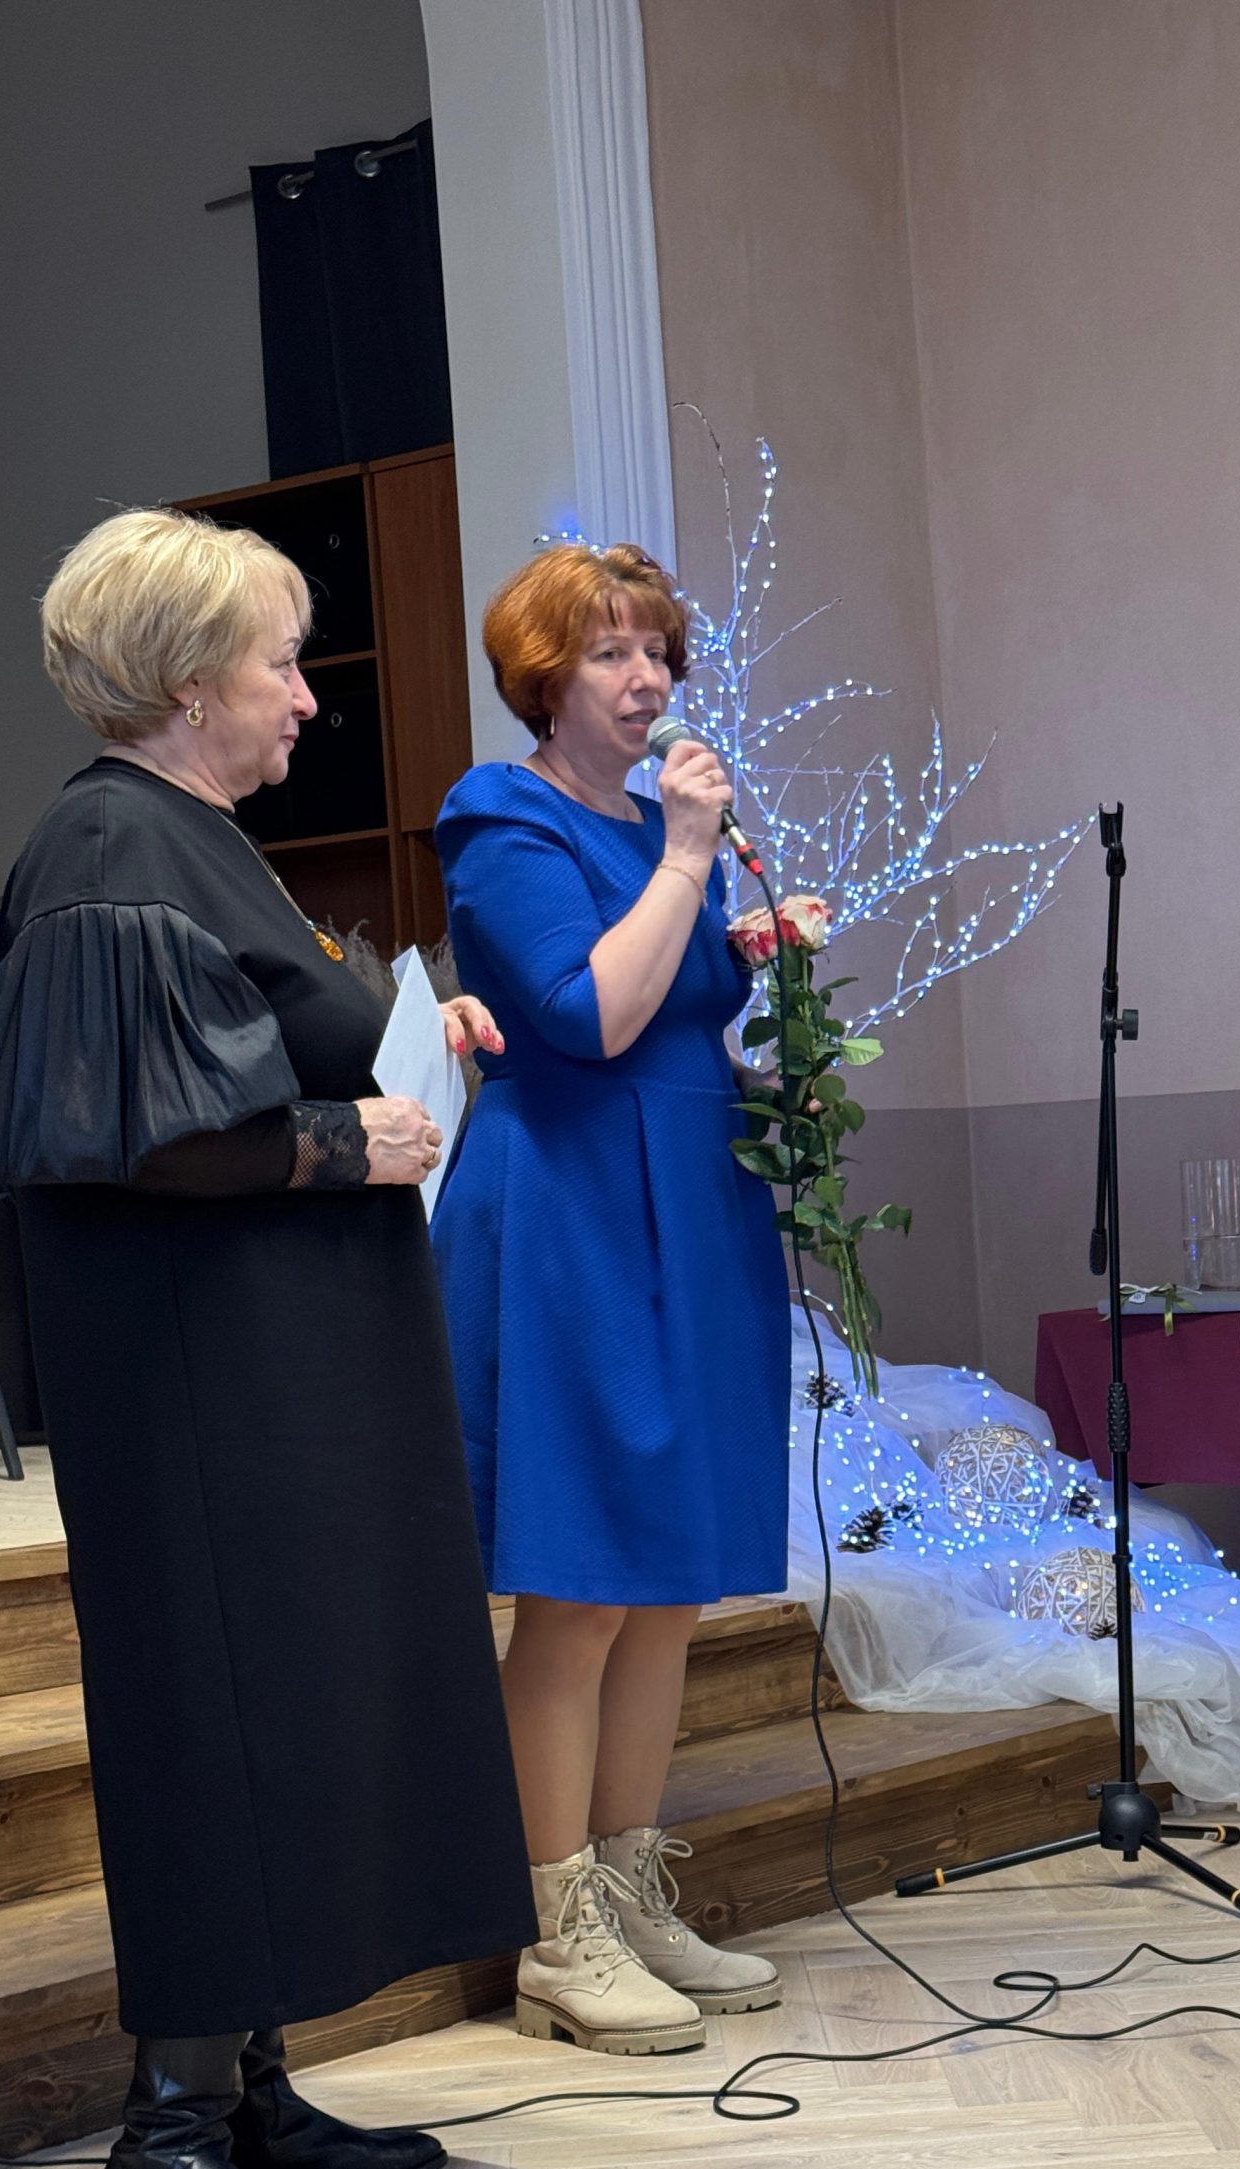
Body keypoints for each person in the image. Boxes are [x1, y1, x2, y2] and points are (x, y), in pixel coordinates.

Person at [0, 509, 533, 2169]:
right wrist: (341, 1138)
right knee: (217, 1723)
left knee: (285, 1706)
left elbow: (244, 1061)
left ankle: (251, 2094)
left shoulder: (194, 841)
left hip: (276, 1376)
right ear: (191, 679)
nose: (305, 697)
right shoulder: (110, 847)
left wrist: (409, 1054)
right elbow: (131, 1131)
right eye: (281, 664)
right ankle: (163, 2149)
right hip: (201, 1399)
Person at [432, 542, 789, 2052]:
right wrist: (691, 859)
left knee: (667, 1584)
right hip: (573, 1210)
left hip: (692, 1205)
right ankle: (555, 1927)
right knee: (580, 1585)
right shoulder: (499, 815)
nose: (647, 681)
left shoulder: (654, 825)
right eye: (611, 654)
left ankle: (633, 1892)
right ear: (544, 675)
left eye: (657, 654)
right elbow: (586, 1015)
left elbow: (688, 1019)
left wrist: (771, 1069)